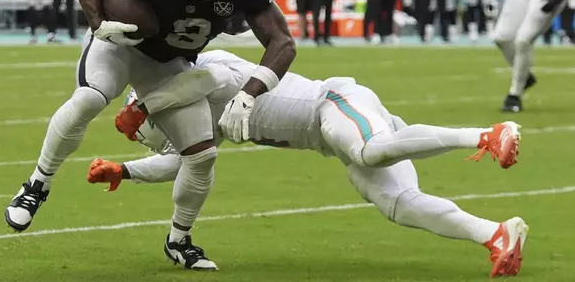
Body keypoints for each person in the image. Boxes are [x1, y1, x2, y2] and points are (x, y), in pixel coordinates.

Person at [4, 0, 296, 271]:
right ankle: (37, 184)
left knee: (202, 155)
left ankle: (179, 240)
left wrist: (248, 94)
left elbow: (283, 43)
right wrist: (97, 24)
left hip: (170, 62)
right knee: (91, 99)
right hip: (123, 45)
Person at [98, 49, 527, 278]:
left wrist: (147, 105)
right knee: (399, 204)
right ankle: (497, 235)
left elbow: (215, 80)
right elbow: (178, 164)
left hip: (333, 103)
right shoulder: (200, 124)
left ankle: (487, 135)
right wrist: (125, 171)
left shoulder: (202, 71)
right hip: (331, 136)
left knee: (370, 150)